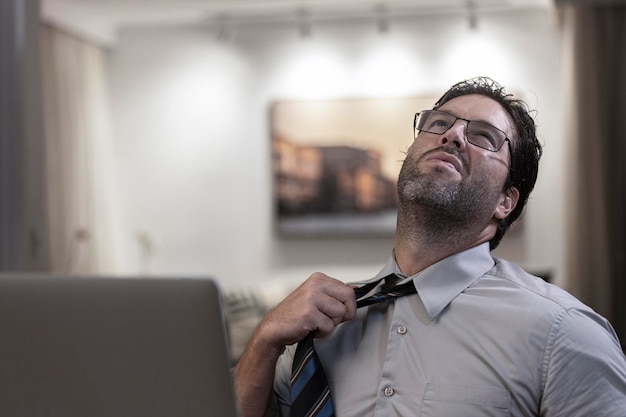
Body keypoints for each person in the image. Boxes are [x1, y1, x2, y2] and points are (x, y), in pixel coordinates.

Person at [234, 77, 626, 416]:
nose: (452, 134)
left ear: (504, 202)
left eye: (484, 136)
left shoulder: (565, 333)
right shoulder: (314, 328)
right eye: (439, 123)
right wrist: (264, 339)